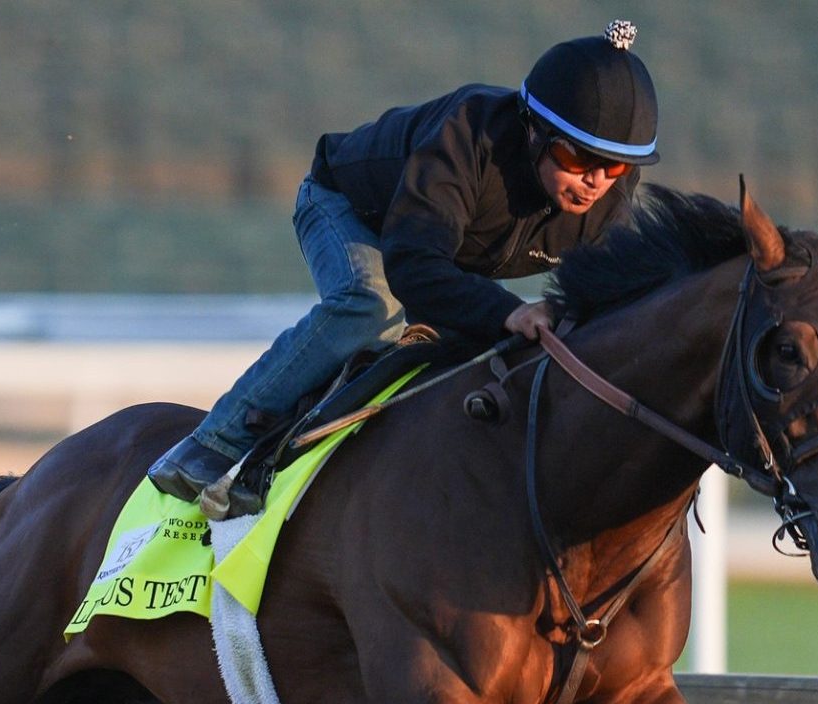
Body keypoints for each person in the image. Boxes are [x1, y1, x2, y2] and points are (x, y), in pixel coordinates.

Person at [148, 20, 660, 516]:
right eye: (575, 157)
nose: (594, 181)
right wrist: (510, 311)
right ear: (533, 131)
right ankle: (214, 443)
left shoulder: (605, 201)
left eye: (613, 167)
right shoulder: (468, 135)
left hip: (444, 252)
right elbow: (413, 266)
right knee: (371, 304)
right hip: (347, 208)